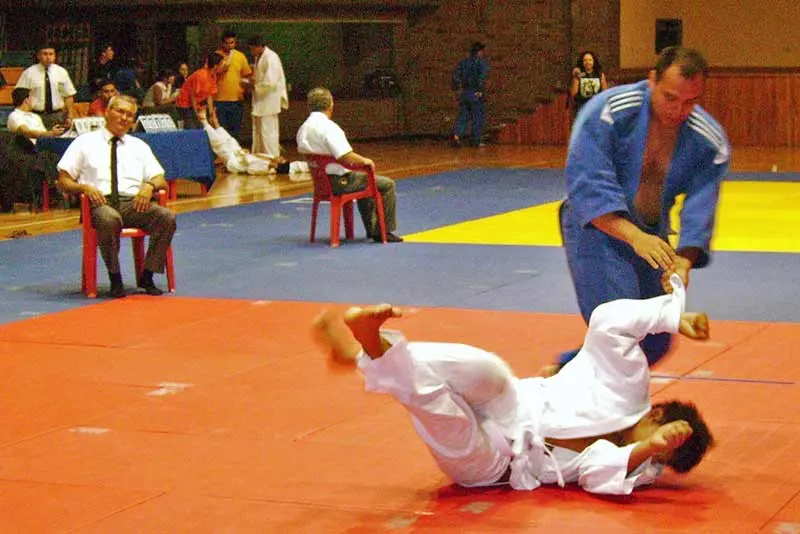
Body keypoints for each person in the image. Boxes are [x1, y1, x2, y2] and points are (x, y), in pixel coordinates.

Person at [312, 274, 714, 494]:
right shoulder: (628, 383)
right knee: (482, 366)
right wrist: (669, 317)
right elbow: (608, 322)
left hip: (497, 464)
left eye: (663, 462)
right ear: (656, 412)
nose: (656, 462)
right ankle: (364, 353)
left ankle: (367, 348)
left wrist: (649, 448)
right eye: (663, 445)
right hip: (512, 400)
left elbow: (594, 474)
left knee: (443, 415)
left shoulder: (643, 462)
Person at [551, 46, 730, 375]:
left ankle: (562, 376)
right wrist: (633, 236)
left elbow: (701, 204)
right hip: (597, 228)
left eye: (691, 101)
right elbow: (588, 183)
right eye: (670, 97)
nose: (678, 109)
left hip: (652, 234)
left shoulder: (707, 141)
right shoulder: (608, 112)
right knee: (622, 328)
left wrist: (684, 258)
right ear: (651, 80)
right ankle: (595, 415)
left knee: (657, 339)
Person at [56, 95, 176, 299]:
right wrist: (84, 187)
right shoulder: (84, 142)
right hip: (99, 203)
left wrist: (149, 186)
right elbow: (63, 180)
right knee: (109, 218)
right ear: (106, 113)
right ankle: (115, 277)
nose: (124, 118)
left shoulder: (139, 146)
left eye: (130, 115)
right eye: (120, 112)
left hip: (133, 203)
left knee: (167, 217)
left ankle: (147, 275)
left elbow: (160, 178)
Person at [296, 87, 402, 243]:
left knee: (364, 181)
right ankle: (383, 230)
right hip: (340, 182)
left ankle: (374, 229)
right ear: (330, 105)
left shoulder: (303, 128)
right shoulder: (328, 127)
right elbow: (345, 155)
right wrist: (366, 161)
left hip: (321, 183)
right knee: (386, 184)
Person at [3, 87, 63, 210]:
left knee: (57, 154)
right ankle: (54, 190)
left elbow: (45, 136)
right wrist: (50, 134)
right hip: (24, 151)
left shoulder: (36, 117)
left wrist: (53, 133)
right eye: (32, 97)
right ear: (26, 100)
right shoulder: (14, 116)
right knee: (46, 158)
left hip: (42, 148)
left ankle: (60, 188)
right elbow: (26, 132)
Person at [15, 44, 77, 129]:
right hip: (35, 115)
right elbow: (20, 95)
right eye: (45, 54)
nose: (48, 57)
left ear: (55, 56)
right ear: (38, 56)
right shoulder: (29, 73)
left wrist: (70, 115)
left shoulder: (61, 72)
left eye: (51, 54)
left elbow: (68, 95)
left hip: (57, 116)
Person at [248, 35, 288, 159]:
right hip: (262, 99)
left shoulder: (271, 58)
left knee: (268, 131)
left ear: (259, 46)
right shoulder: (259, 57)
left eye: (252, 48)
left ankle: (272, 158)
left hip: (268, 99)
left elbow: (271, 81)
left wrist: (254, 86)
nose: (251, 51)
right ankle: (261, 157)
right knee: (260, 131)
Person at [214, 31, 253, 141]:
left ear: (235, 43)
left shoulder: (240, 56)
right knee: (220, 130)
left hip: (236, 100)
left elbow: (247, 75)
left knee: (235, 131)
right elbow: (208, 75)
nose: (229, 45)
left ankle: (235, 154)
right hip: (219, 100)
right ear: (222, 43)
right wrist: (219, 71)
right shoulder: (215, 56)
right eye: (227, 43)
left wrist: (247, 85)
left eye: (232, 43)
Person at [451, 41, 489, 147]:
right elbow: (481, 78)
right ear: (479, 52)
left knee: (463, 115)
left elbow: (455, 78)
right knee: (478, 116)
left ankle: (457, 136)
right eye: (482, 51)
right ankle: (476, 140)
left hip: (464, 93)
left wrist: (457, 90)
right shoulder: (482, 63)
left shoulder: (463, 63)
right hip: (475, 93)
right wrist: (480, 91)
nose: (484, 53)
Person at [175, 52, 224, 130]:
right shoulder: (200, 75)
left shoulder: (213, 76)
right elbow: (192, 95)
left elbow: (209, 95)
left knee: (202, 126)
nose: (223, 66)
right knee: (192, 127)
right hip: (184, 104)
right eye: (222, 64)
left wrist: (211, 114)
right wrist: (196, 113)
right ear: (215, 66)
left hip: (196, 104)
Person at [569, 51, 608, 117]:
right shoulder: (578, 74)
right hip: (581, 108)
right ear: (582, 62)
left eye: (590, 60)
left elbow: (605, 92)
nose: (588, 62)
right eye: (585, 60)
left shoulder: (600, 74)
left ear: (593, 61)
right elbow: (573, 93)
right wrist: (575, 77)